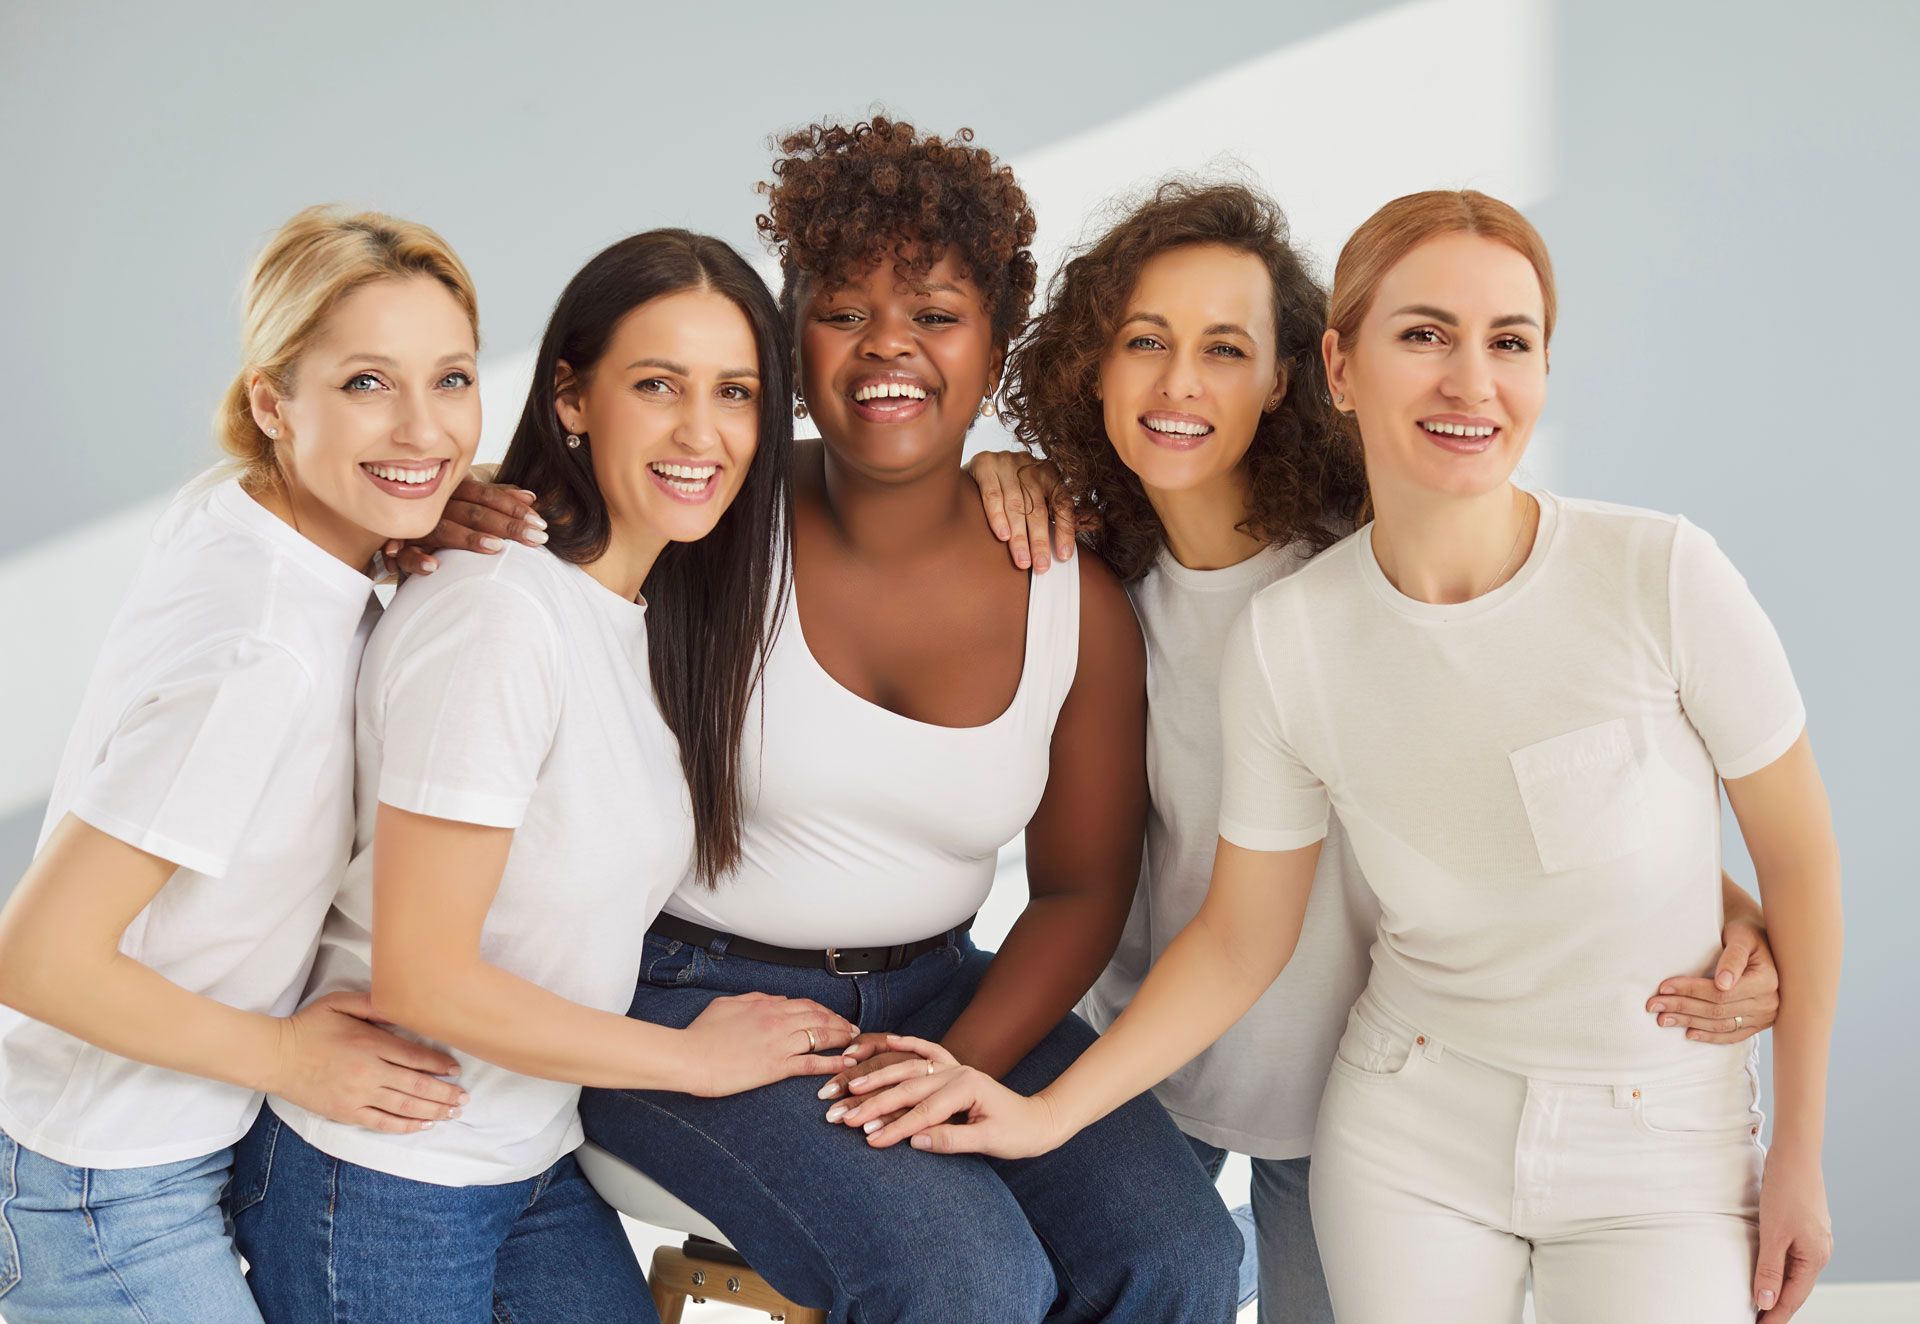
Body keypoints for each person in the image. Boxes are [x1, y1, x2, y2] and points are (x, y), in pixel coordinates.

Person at [844, 189, 1840, 1324]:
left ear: (1291, 376)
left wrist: (1721, 908)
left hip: (1352, 1084)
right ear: (1092, 367)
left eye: (1225, 348)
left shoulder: (1367, 568)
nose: (1180, 384)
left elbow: (1518, 760)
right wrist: (992, 471)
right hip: (1152, 1046)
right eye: (1144, 342)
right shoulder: (1085, 571)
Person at [558, 118, 1240, 1323]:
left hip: (941, 991)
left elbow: (1082, 889)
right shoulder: (706, 514)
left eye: (934, 312)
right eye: (842, 309)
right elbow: (531, 521)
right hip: (686, 996)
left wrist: (956, 1060)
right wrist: (460, 515)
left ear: (996, 341)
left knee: (1180, 1253)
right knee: (964, 1283)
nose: (889, 346)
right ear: (790, 337)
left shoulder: (1068, 590)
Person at [228, 230, 858, 1323]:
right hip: (383, 1177)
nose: (702, 432)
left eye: (737, 392)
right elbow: (425, 978)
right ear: (570, 396)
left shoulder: (627, 617)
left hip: (528, 1158)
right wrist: (688, 1060)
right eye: (657, 384)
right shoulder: (500, 616)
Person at [0, 206, 482, 1322]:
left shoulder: (243, 515)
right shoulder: (258, 655)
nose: (423, 427)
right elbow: (36, 955)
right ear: (272, 402)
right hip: (103, 1183)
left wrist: (425, 490)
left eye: (450, 379)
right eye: (368, 383)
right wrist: (290, 1057)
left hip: (145, 1148)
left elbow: (383, 465)